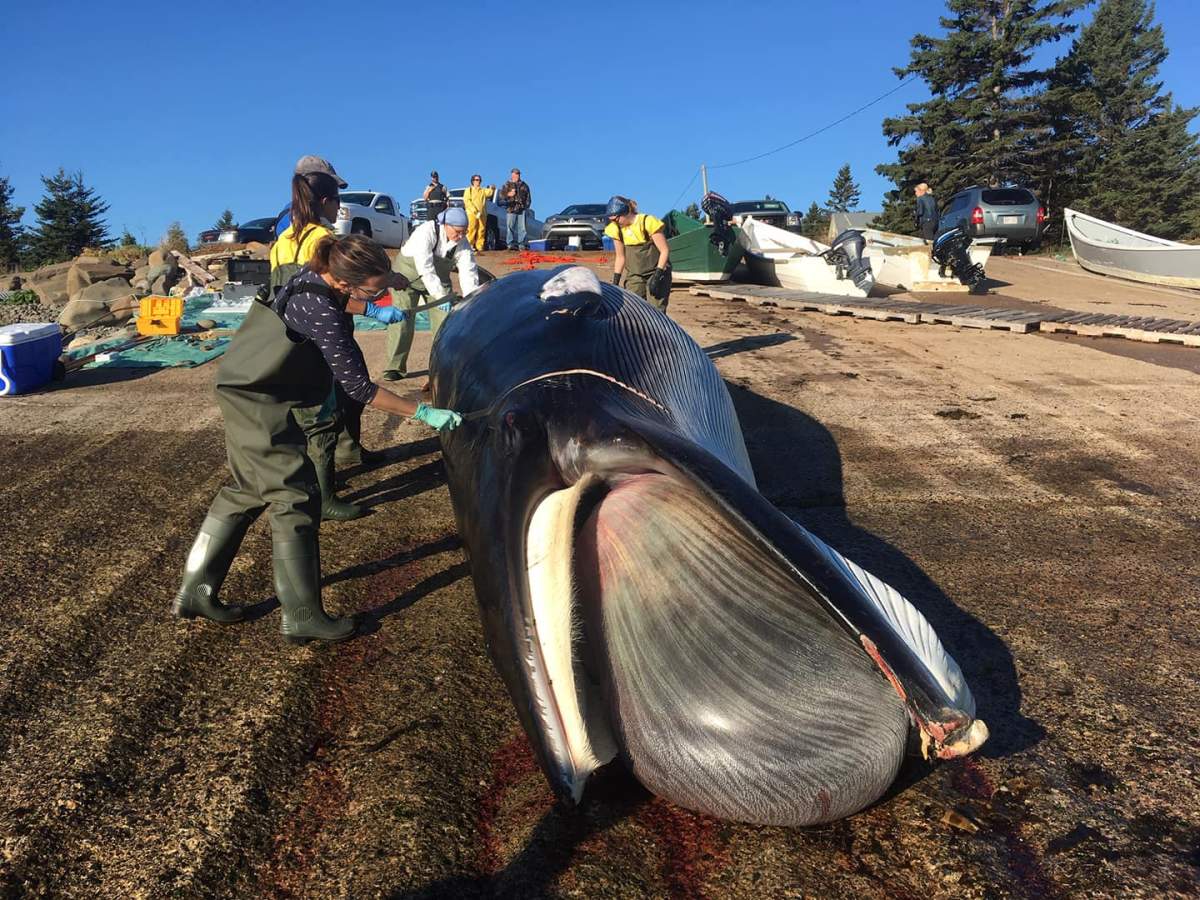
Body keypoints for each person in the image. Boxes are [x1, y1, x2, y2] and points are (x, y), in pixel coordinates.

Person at [172, 235, 463, 645]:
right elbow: (359, 388)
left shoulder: (314, 274)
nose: (377, 296)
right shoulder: (323, 311)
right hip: (258, 399)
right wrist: (422, 412)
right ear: (345, 282)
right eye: (370, 291)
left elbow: (341, 297)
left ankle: (196, 591)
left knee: (247, 491)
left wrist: (383, 295)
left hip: (244, 386)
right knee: (296, 497)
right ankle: (302, 615)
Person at [271, 159, 386, 523]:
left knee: (338, 399)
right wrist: (371, 309)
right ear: (324, 201)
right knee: (328, 408)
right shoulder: (322, 240)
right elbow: (328, 291)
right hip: (324, 330)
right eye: (337, 200)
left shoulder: (283, 239)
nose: (340, 207)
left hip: (292, 334)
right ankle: (325, 496)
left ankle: (350, 450)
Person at [382, 206, 480, 381]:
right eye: (458, 231)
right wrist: (440, 296)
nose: (461, 236)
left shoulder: (462, 243)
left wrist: (471, 300)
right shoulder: (426, 232)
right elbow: (425, 267)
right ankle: (394, 367)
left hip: (439, 283)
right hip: (406, 279)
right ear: (446, 225)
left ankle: (443, 368)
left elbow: (468, 272)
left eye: (464, 232)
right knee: (402, 321)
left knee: (445, 324)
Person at [604, 195, 672, 312]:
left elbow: (664, 251)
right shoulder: (616, 229)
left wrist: (657, 275)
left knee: (656, 311)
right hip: (635, 274)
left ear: (625, 212)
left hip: (656, 270)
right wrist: (615, 281)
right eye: (612, 220)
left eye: (616, 219)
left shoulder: (647, 222)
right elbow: (620, 257)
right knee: (634, 309)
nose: (614, 222)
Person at [498, 168, 532, 250]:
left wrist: (525, 207)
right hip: (511, 208)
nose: (516, 175)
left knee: (522, 229)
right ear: (511, 174)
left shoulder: (524, 185)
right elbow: (501, 195)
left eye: (518, 174)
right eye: (515, 173)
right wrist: (508, 194)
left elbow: (528, 198)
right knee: (510, 227)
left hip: (522, 209)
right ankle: (510, 245)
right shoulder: (507, 184)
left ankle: (522, 245)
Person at [463, 174, 495, 252]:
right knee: (471, 229)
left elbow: (489, 193)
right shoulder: (468, 190)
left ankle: (479, 247)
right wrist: (475, 211)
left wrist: (492, 188)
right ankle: (469, 246)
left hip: (482, 214)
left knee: (481, 230)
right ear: (473, 181)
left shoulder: (482, 190)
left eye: (479, 180)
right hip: (472, 214)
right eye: (477, 180)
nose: (478, 182)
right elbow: (467, 201)